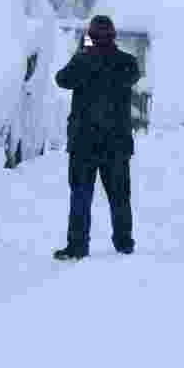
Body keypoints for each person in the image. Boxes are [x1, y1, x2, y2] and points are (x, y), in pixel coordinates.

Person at [53, 15, 141, 260]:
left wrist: (84, 51)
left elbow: (62, 79)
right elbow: (133, 76)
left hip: (84, 144)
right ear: (114, 37)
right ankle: (124, 242)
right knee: (120, 196)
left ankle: (77, 245)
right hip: (117, 144)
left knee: (80, 195)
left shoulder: (82, 60)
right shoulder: (127, 63)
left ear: (89, 36)